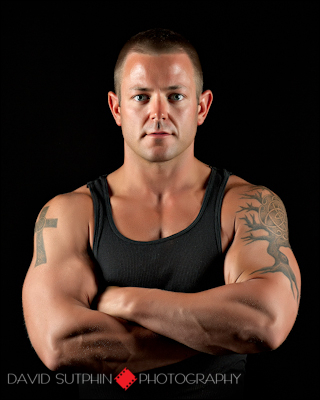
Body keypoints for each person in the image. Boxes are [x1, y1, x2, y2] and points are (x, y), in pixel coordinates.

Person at [22, 28, 301, 399]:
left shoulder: (246, 206)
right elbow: (61, 344)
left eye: (175, 96)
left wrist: (126, 301)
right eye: (141, 97)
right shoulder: (71, 214)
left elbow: (265, 323)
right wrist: (221, 334)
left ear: (201, 107)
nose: (158, 113)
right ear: (117, 108)